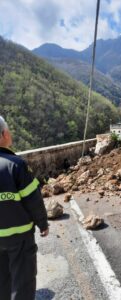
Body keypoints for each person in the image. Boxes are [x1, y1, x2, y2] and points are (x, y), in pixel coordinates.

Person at [0, 116, 49, 300]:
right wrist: (42, 223)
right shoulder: (16, 165)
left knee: (2, 282)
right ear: (4, 134)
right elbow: (33, 200)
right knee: (22, 283)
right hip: (19, 238)